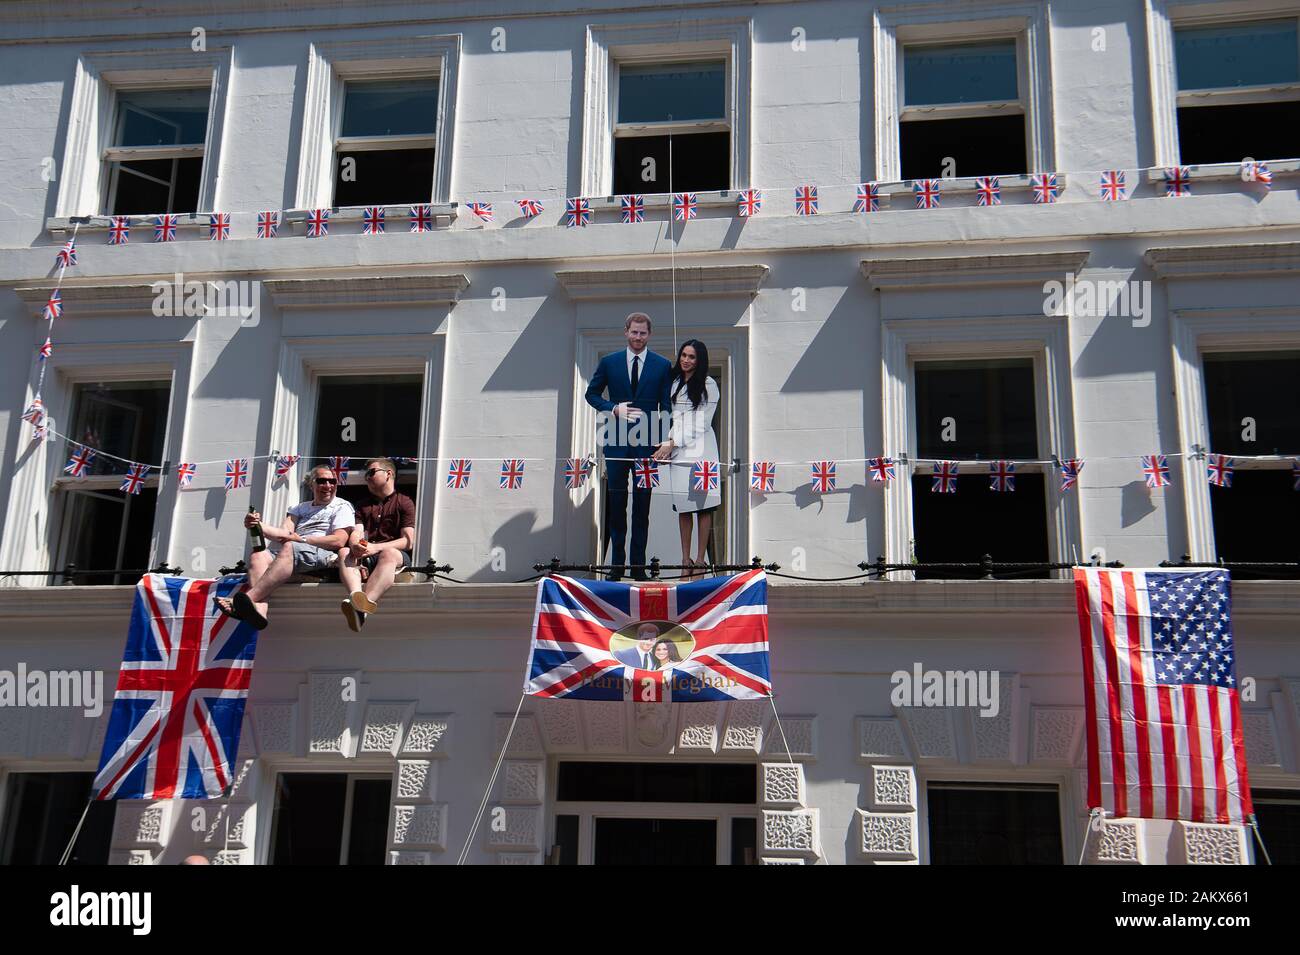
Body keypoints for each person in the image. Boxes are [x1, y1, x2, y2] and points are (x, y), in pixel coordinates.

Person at [585, 313, 673, 581]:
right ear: (626, 332)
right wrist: (613, 408)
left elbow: (666, 405)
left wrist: (667, 438)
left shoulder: (662, 365)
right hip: (616, 443)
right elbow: (591, 394)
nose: (638, 338)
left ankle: (638, 567)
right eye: (634, 333)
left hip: (648, 444)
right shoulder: (609, 362)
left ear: (649, 334)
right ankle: (616, 566)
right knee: (617, 502)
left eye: (643, 333)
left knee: (642, 507)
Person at [217, 465, 354, 630]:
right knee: (258, 556)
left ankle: (246, 600)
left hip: (323, 554)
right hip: (294, 550)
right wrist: (256, 524)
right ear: (312, 485)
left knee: (290, 546)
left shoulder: (342, 506)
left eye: (332, 481)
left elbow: (339, 541)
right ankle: (260, 607)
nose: (328, 485)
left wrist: (302, 539)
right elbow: (283, 533)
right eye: (322, 481)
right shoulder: (299, 508)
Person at [653, 339, 720, 578]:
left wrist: (672, 443)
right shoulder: (675, 384)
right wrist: (669, 443)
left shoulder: (709, 384)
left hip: (702, 450)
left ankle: (700, 559)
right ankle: (685, 558)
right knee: (683, 505)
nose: (686, 360)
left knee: (703, 505)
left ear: (699, 360)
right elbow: (674, 419)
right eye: (683, 355)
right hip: (678, 449)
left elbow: (701, 423)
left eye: (692, 357)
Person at [339, 458, 416, 632]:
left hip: (394, 557)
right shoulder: (363, 505)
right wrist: (355, 545)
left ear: (388, 474)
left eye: (371, 472)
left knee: (388, 553)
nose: (367, 478)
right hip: (368, 554)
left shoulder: (404, 502)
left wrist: (376, 548)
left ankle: (361, 608)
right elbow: (357, 532)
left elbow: (407, 541)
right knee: (344, 551)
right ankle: (356, 597)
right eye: (366, 475)